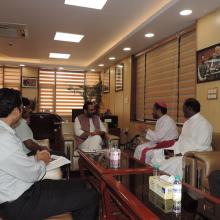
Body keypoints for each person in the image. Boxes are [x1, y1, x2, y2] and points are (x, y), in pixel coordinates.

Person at [0, 88, 99, 220]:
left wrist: (36, 158)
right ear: (16, 111)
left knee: (80, 184)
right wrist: (42, 161)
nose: (24, 109)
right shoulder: (4, 138)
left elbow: (17, 164)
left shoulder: (5, 133)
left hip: (26, 190)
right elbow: (32, 174)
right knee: (91, 196)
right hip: (20, 203)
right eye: (22, 106)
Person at [147, 98, 212, 178]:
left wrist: (179, 153)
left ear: (189, 109)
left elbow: (201, 147)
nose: (182, 111)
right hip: (178, 151)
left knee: (170, 163)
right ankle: (154, 179)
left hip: (189, 155)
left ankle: (163, 183)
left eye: (183, 109)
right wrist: (172, 150)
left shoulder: (204, 124)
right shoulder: (187, 123)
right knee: (158, 154)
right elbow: (181, 142)